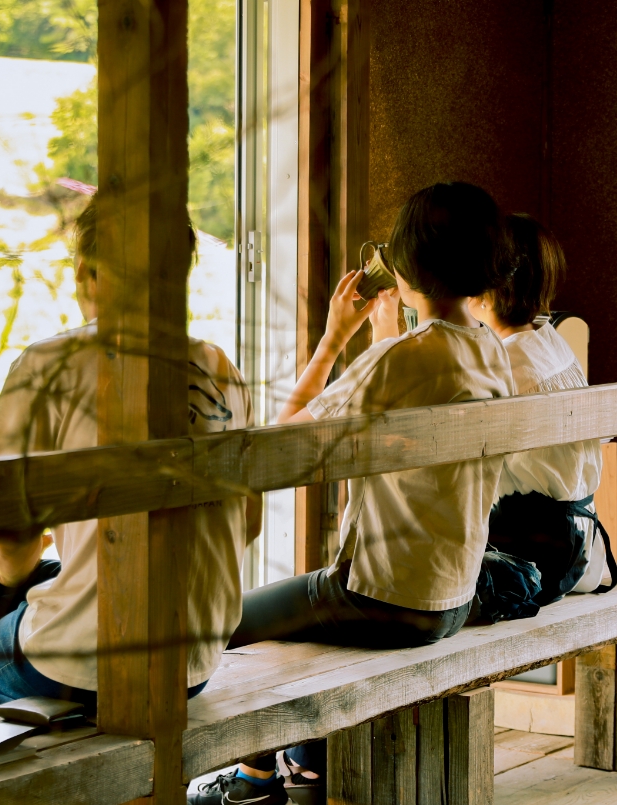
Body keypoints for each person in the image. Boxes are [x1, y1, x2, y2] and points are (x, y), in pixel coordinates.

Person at [190, 182, 514, 805]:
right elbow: (402, 382)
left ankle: (253, 783)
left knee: (221, 620)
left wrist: (335, 339)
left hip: (383, 598)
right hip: (454, 594)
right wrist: (387, 340)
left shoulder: (402, 359)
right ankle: (293, 766)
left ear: (408, 264)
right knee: (290, 612)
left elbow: (272, 447)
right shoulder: (490, 351)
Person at [0, 200, 259, 716]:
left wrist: (9, 567)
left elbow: (10, 544)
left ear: (84, 271)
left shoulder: (50, 365)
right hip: (193, 664)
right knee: (43, 578)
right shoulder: (222, 368)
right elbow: (249, 523)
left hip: (87, 668)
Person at [468, 214, 614, 610]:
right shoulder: (551, 341)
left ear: (487, 289)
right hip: (581, 549)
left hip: (532, 563)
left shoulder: (502, 363)